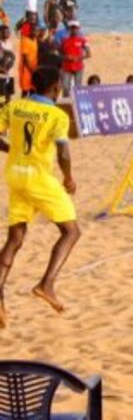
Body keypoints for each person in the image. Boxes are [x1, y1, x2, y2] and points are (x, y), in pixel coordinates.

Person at [0, 66, 82, 324]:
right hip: (38, 178)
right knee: (71, 231)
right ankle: (46, 284)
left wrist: (11, 150)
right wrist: (68, 177)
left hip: (15, 174)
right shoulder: (56, 115)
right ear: (56, 87)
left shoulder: (14, 107)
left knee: (15, 237)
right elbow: (63, 152)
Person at [59, 22, 90, 98]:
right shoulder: (64, 41)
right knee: (66, 88)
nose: (74, 30)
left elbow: (88, 54)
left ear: (78, 29)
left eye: (75, 28)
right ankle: (66, 103)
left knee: (78, 88)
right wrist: (66, 57)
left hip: (78, 67)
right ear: (69, 29)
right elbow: (60, 53)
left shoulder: (83, 40)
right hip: (67, 67)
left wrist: (78, 58)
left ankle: (78, 102)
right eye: (72, 28)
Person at [17, 20, 38, 98]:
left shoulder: (35, 40)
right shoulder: (25, 40)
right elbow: (25, 59)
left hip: (33, 68)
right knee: (25, 90)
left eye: (37, 30)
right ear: (30, 31)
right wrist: (32, 69)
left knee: (33, 89)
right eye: (34, 30)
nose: (36, 32)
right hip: (26, 69)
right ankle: (22, 106)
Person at [0, 26, 14, 105]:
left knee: (9, 95)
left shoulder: (10, 44)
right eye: (5, 32)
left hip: (10, 74)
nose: (7, 34)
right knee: (1, 97)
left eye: (8, 32)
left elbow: (11, 58)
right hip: (1, 75)